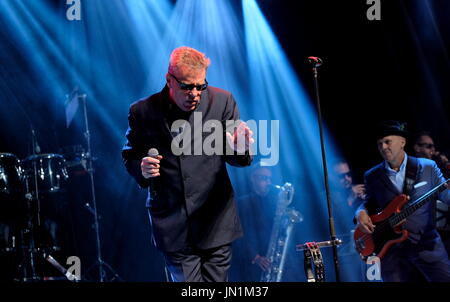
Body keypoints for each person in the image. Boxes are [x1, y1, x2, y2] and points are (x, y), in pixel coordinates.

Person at [122, 46, 254, 282]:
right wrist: (141, 168)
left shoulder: (222, 101)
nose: (194, 93)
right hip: (173, 223)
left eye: (200, 86)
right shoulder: (142, 110)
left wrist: (240, 148)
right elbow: (129, 155)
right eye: (186, 86)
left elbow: (238, 158)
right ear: (169, 80)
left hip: (216, 220)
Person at [355, 120, 450, 282]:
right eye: (380, 144)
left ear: (402, 142)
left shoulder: (427, 166)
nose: (383, 147)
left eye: (387, 142)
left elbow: (445, 195)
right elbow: (368, 203)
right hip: (391, 250)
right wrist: (360, 213)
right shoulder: (372, 175)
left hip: (426, 245)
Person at [412, 131, 450, 257]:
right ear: (417, 147)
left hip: (441, 228)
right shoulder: (411, 169)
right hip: (420, 231)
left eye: (433, 146)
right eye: (428, 146)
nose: (433, 150)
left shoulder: (436, 168)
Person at [330, 159, 366, 281]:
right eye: (341, 176)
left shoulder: (356, 192)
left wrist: (365, 201)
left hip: (364, 251)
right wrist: (350, 199)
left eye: (348, 174)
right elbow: (338, 222)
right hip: (343, 257)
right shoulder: (326, 197)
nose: (347, 179)